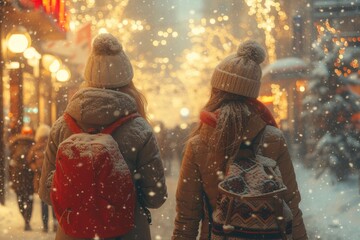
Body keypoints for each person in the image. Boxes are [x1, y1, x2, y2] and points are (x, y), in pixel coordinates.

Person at [172, 41, 308, 240]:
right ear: (252, 95)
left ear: (216, 91)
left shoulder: (199, 143)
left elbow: (187, 217)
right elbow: (291, 204)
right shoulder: (273, 138)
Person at [38, 33, 167, 240]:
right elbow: (156, 197)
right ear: (127, 80)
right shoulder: (139, 129)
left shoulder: (62, 126)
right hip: (128, 232)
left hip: (74, 232)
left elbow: (46, 193)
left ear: (88, 79)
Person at [27, 124, 58, 232]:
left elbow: (29, 161)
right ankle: (54, 224)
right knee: (54, 202)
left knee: (43, 201)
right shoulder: (53, 146)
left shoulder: (35, 147)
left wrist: (37, 168)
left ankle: (45, 225)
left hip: (40, 179)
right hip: (53, 178)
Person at [9, 126, 35, 231]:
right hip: (29, 176)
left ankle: (25, 217)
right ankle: (27, 219)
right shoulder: (33, 144)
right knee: (29, 199)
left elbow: (10, 162)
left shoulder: (14, 144)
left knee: (20, 199)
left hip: (18, 177)